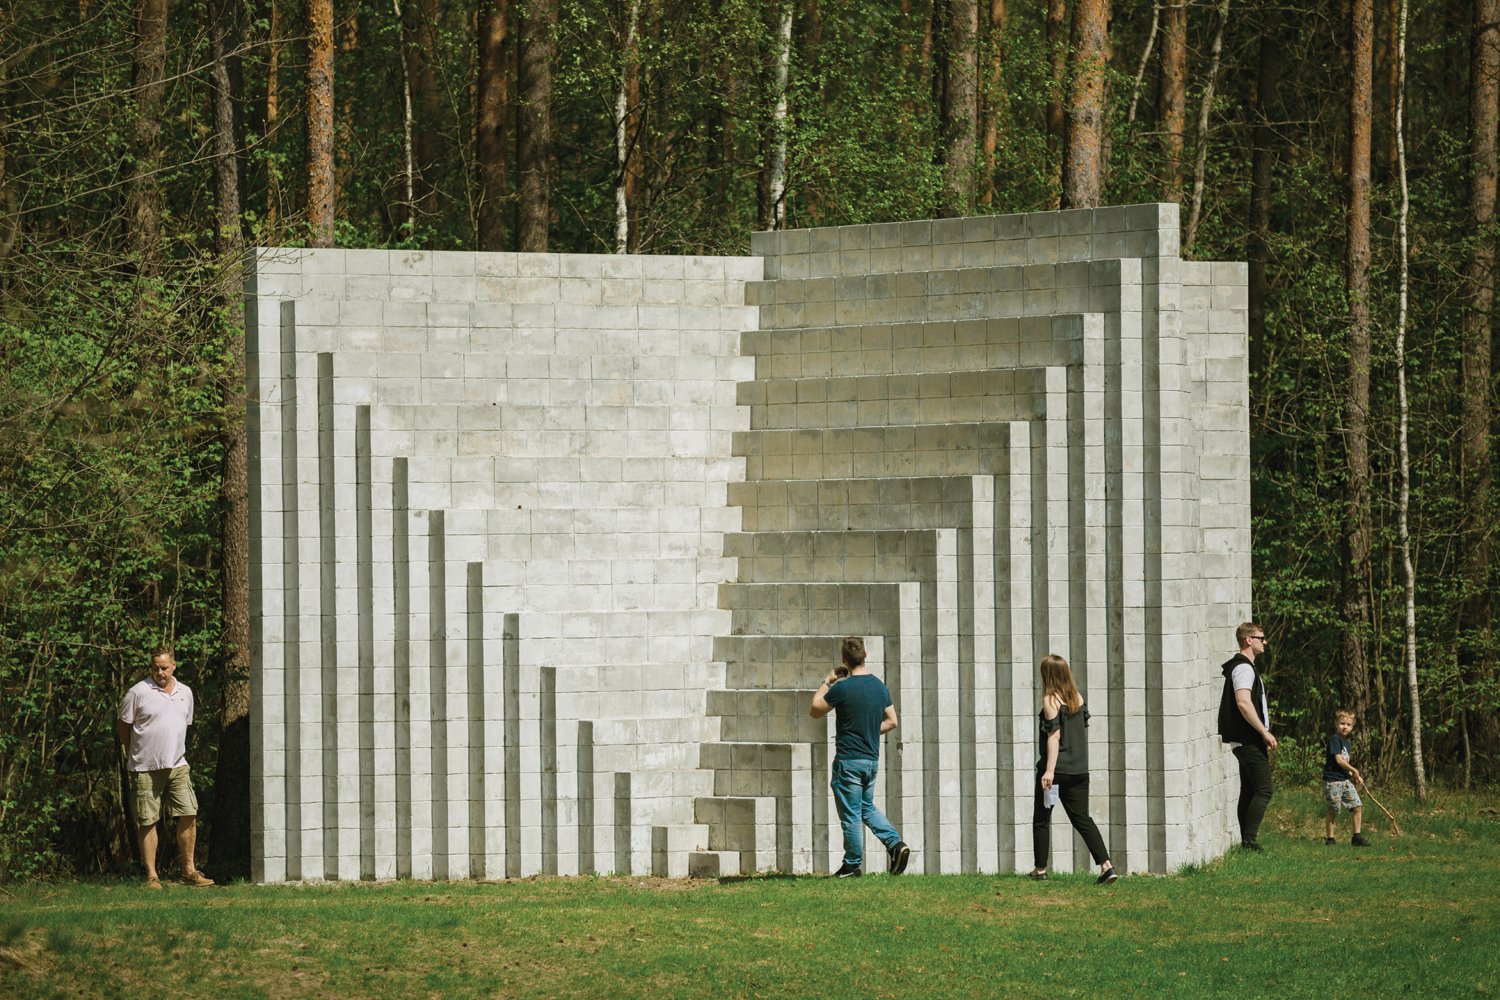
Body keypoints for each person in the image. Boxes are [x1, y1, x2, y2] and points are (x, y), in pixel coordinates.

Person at [809, 636, 911, 877]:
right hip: (871, 761)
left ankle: (852, 865)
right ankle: (896, 845)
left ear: (844, 660)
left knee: (851, 814)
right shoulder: (879, 686)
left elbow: (814, 709)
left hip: (849, 761)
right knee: (865, 807)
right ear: (865, 656)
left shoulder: (842, 688)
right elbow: (892, 721)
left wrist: (828, 680)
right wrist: (867, 729)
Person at [117, 649, 215, 888]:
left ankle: (189, 872)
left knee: (189, 813)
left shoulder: (186, 693)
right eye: (155, 668)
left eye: (164, 667)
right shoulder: (138, 693)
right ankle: (152, 876)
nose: (159, 672)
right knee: (148, 820)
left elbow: (182, 725)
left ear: (174, 666)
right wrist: (134, 753)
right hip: (146, 767)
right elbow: (123, 727)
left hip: (178, 765)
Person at [1028, 654, 1118, 884]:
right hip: (1079, 771)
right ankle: (1106, 866)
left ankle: (1040, 870)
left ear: (1048, 675)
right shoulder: (1077, 697)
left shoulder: (1051, 700)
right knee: (1082, 818)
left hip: (1057, 771)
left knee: (1042, 818)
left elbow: (1054, 735)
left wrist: (1049, 771)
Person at [1217, 621, 1277, 851]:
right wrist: (1264, 731)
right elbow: (1243, 702)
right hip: (1248, 738)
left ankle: (1246, 840)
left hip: (1244, 739)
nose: (1265, 642)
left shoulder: (1245, 667)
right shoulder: (1243, 668)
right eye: (1261, 638)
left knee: (1249, 789)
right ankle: (1249, 841)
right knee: (1264, 789)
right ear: (1248, 640)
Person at [1323, 709, 1371, 847]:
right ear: (1336, 724)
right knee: (1334, 810)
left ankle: (1356, 837)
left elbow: (1345, 764)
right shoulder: (1334, 739)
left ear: (1352, 727)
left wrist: (1353, 775)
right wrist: (1354, 770)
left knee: (1357, 805)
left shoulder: (1347, 743)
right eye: (1342, 723)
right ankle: (1330, 839)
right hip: (1333, 781)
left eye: (1348, 724)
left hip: (1345, 780)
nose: (1345, 727)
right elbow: (1338, 760)